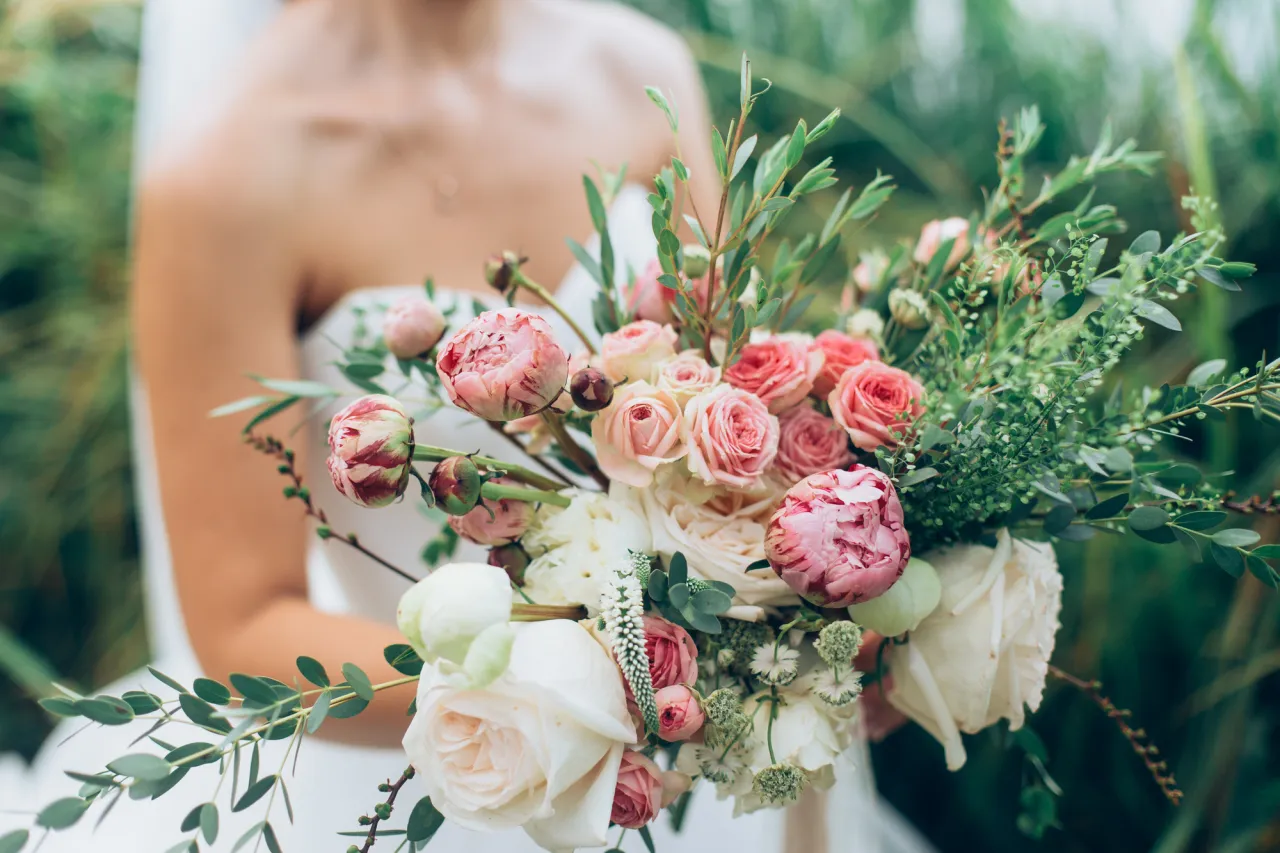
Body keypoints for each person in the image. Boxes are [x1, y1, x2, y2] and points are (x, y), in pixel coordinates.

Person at [16, 2, 933, 851]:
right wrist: (590, 683)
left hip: (716, 762)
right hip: (468, 766)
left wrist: (841, 601)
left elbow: (745, 408)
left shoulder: (640, 69)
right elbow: (245, 625)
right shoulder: (226, 176)